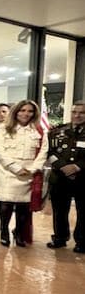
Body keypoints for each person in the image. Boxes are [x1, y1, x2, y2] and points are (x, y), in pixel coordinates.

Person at [0, 99, 48, 247]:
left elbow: (43, 151)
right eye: (23, 110)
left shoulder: (39, 129)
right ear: (16, 111)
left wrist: (33, 168)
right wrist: (15, 168)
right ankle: (3, 230)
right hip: (7, 172)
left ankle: (18, 232)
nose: (26, 114)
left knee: (23, 207)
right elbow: (0, 150)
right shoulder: (5, 127)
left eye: (30, 111)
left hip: (29, 172)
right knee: (6, 204)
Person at [46, 100, 85, 253]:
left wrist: (76, 167)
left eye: (81, 112)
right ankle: (60, 238)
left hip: (83, 179)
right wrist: (63, 167)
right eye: (74, 112)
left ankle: (82, 241)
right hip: (60, 177)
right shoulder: (57, 131)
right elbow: (49, 152)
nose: (77, 115)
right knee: (59, 210)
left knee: (83, 211)